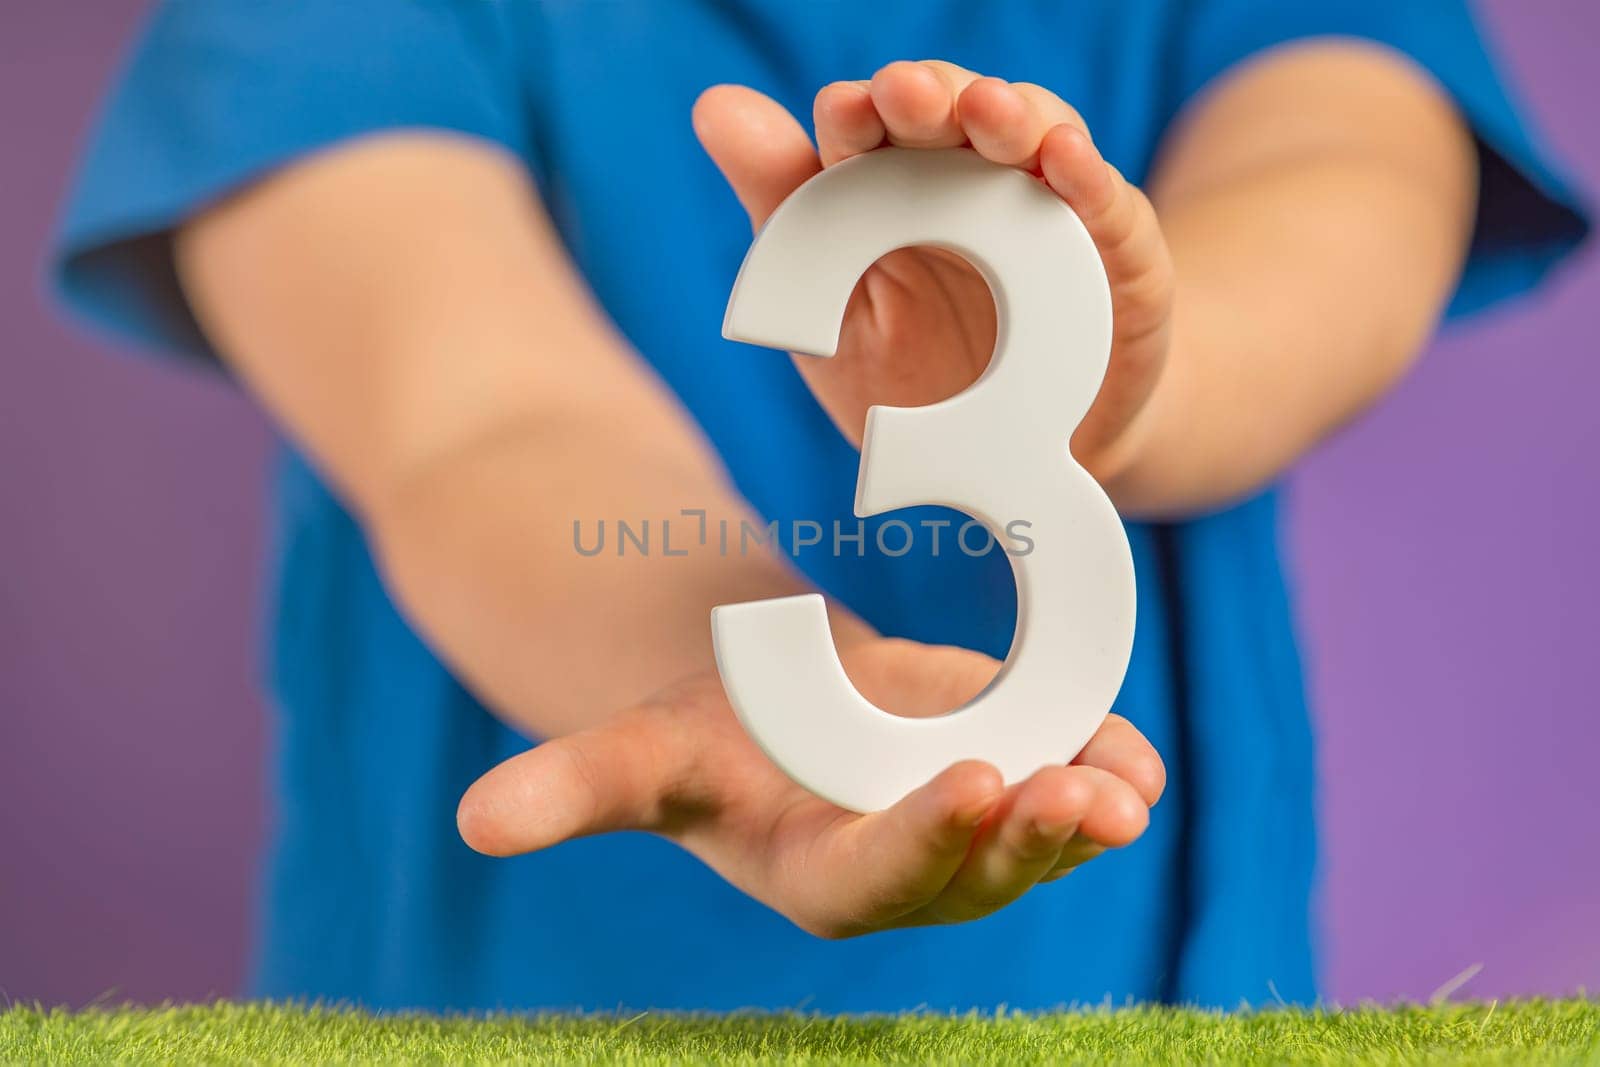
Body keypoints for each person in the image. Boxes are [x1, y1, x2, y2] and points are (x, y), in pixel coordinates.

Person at [53, 1, 1587, 1012]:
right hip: (514, 984)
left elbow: (1347, 185)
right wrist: (723, 680)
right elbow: (477, 420)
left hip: (1135, 975)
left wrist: (1122, 389)